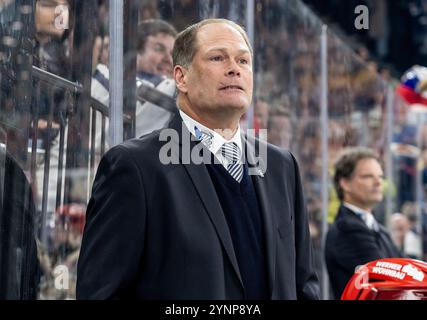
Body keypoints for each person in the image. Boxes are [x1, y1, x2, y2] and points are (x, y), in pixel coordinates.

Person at [77, 18, 319, 300]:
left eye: (243, 61)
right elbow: (102, 293)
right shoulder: (134, 167)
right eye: (217, 57)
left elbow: (303, 285)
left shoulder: (281, 166)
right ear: (181, 77)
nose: (234, 68)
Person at [325, 147, 401, 299]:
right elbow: (389, 277)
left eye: (380, 176)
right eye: (367, 176)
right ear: (345, 183)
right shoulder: (347, 229)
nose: (378, 181)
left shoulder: (379, 229)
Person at [91, 19, 178, 138]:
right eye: (159, 49)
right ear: (135, 52)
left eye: (173, 54)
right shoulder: (105, 76)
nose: (169, 59)